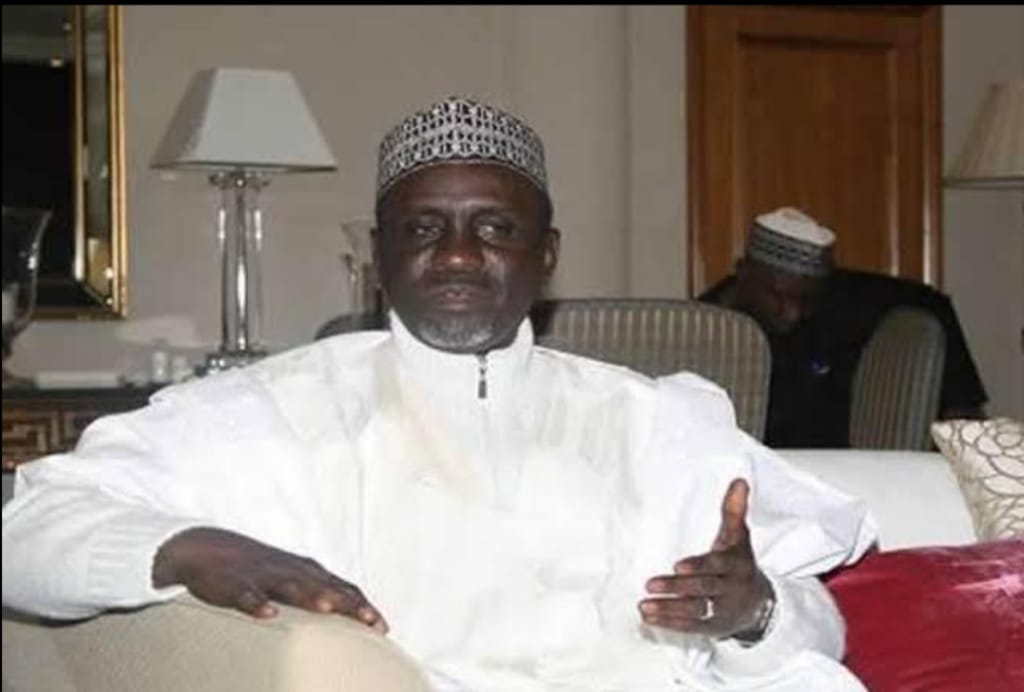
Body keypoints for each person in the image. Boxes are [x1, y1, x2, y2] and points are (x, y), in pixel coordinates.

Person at [2, 97, 877, 691]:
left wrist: (758, 612)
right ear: (380, 253)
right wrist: (188, 547)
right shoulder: (267, 414)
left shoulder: (654, 421)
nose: (457, 255)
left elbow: (820, 631)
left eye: (494, 228)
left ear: (546, 253)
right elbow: (25, 532)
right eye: (423, 228)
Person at [700, 207, 988, 449]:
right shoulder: (702, 327)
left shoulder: (841, 300)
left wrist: (961, 413)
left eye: (806, 299)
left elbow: (932, 303)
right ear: (743, 273)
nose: (792, 313)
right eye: (777, 296)